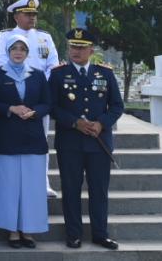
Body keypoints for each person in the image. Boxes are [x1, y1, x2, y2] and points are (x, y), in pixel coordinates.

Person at [49, 28, 123, 250]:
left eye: (81, 47)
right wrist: (75, 122)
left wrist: (101, 123)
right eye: (72, 46)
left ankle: (101, 233)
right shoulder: (58, 74)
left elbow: (117, 106)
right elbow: (52, 107)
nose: (76, 51)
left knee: (98, 190)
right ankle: (74, 234)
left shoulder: (105, 74)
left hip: (98, 142)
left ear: (92, 49)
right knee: (71, 189)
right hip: (70, 142)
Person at [0, 37, 51, 248]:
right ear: (7, 51)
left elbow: (47, 103)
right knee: (8, 187)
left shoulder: (38, 75)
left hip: (33, 137)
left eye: (23, 49)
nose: (18, 52)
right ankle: (12, 230)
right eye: (14, 48)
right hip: (6, 138)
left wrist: (35, 112)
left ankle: (29, 230)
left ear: (27, 52)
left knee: (32, 187)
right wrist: (10, 108)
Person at [0, 0, 59, 196]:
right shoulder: (5, 36)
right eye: (27, 14)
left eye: (34, 14)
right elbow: (0, 64)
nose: (32, 18)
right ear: (16, 16)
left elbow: (52, 66)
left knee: (42, 139)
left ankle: (43, 181)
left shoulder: (45, 37)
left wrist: (41, 92)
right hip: (12, 97)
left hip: (38, 98)